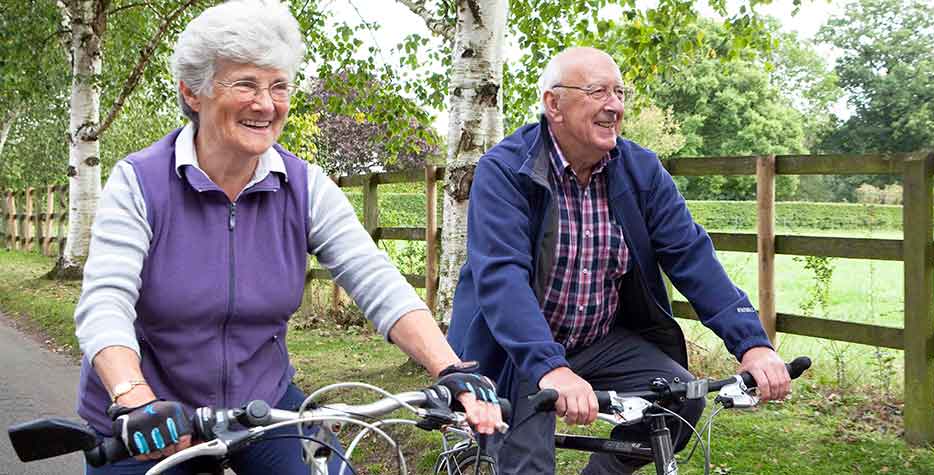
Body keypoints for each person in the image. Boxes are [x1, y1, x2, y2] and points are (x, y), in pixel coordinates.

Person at [72, 2, 500, 474]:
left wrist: (450, 368)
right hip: (156, 415)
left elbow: (374, 277)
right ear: (192, 94)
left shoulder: (303, 185)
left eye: (278, 86)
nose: (266, 103)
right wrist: (134, 399)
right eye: (245, 84)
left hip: (263, 402)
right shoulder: (140, 182)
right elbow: (106, 300)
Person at [446, 46, 792, 475]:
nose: (615, 106)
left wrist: (752, 343)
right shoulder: (505, 171)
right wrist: (551, 368)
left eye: (620, 93)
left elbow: (690, 254)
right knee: (528, 465)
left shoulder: (640, 170)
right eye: (598, 92)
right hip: (516, 350)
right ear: (554, 104)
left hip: (598, 342)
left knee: (680, 399)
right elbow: (502, 280)